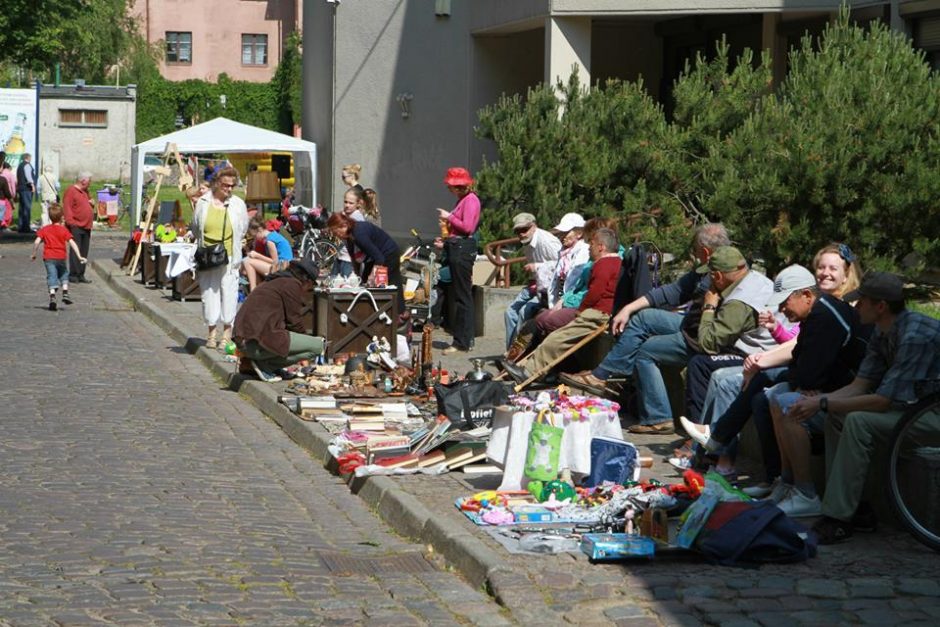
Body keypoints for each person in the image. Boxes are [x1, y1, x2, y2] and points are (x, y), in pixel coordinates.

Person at [681, 243, 866, 485]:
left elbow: (810, 368)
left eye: (784, 302)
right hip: (827, 382)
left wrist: (800, 381)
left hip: (842, 390)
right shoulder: (817, 310)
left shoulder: (827, 313)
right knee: (759, 394)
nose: (780, 309)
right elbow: (801, 353)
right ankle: (775, 480)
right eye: (820, 267)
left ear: (807, 296)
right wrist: (771, 365)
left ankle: (722, 441)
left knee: (774, 392)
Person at [779, 272, 940, 543]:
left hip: (929, 415)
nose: (856, 307)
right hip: (912, 411)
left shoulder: (915, 336)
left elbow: (882, 401)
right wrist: (821, 404)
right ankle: (858, 508)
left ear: (880, 306)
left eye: (862, 301)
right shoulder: (883, 330)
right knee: (838, 416)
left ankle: (837, 518)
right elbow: (860, 384)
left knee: (858, 421)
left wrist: (824, 401)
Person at [561, 224, 734, 433]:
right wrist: (628, 308)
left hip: (704, 336)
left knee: (645, 351)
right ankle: (605, 375)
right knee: (642, 317)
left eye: (696, 251)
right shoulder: (706, 270)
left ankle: (653, 412)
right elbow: (672, 292)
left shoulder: (722, 273)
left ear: (706, 252)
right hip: (691, 324)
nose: (694, 255)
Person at [500, 228, 622, 383]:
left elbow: (595, 292)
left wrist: (581, 311)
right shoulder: (614, 263)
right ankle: (520, 362)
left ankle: (528, 371)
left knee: (556, 338)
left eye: (591, 243)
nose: (589, 247)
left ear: (601, 247)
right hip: (597, 311)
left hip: (596, 313)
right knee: (547, 328)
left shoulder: (604, 264)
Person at [234, 259, 327, 382]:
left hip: (246, 340)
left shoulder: (276, 281)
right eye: (312, 285)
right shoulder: (292, 285)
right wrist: (307, 340)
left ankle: (261, 364)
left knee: (304, 344)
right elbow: (294, 321)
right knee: (318, 346)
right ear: (307, 280)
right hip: (255, 342)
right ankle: (265, 366)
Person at [190, 167, 250, 349]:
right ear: (216, 183)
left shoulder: (238, 204)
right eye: (225, 185)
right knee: (209, 293)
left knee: (229, 292)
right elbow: (195, 227)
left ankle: (226, 333)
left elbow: (243, 229)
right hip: (207, 254)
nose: (229, 189)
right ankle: (211, 333)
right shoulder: (203, 202)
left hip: (229, 255)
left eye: (232, 186)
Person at [435, 167, 481, 354]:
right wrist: (445, 242)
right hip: (457, 248)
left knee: (463, 297)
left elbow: (468, 228)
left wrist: (449, 217)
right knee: (461, 295)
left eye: (451, 186)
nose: (449, 189)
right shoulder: (465, 200)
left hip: (462, 250)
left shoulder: (470, 200)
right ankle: (462, 339)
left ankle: (462, 341)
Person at [503, 212, 562, 349]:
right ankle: (511, 350)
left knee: (524, 311)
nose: (521, 234)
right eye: (518, 231)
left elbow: (561, 264)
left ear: (533, 226)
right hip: (535, 283)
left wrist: (537, 267)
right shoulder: (527, 242)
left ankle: (519, 351)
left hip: (550, 287)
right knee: (510, 312)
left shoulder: (547, 241)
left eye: (524, 229)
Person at [327, 212, 403, 312]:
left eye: (336, 232)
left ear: (344, 226)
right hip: (374, 257)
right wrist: (357, 279)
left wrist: (372, 276)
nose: (336, 235)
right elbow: (354, 260)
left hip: (388, 254)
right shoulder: (349, 237)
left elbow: (379, 258)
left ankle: (396, 314)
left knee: (385, 285)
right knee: (364, 283)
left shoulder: (359, 234)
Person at [30, 203, 87, 310]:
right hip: (61, 257)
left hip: (49, 258)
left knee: (51, 276)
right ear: (61, 217)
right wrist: (79, 256)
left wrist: (34, 253)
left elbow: (37, 241)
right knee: (64, 273)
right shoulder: (64, 230)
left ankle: (52, 297)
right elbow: (72, 243)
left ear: (50, 217)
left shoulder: (45, 229)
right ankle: (65, 292)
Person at [243, 217, 294, 291]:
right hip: (284, 265)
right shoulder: (273, 235)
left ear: (259, 230)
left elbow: (274, 262)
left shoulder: (270, 241)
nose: (255, 239)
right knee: (247, 266)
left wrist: (257, 256)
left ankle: (254, 290)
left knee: (247, 261)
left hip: (282, 267)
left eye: (254, 236)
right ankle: (259, 288)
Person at [63, 172, 94, 284]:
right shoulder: (71, 191)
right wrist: (71, 223)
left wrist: (92, 204)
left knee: (84, 250)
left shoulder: (85, 191)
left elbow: (90, 202)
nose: (90, 183)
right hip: (76, 225)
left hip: (86, 225)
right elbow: (67, 207)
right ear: (83, 181)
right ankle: (73, 274)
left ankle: (81, 274)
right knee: (76, 250)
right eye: (89, 181)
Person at [331, 188, 368, 277]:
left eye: (351, 203)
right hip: (340, 256)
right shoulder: (345, 215)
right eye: (345, 202)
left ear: (358, 204)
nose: (347, 205)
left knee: (346, 286)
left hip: (349, 260)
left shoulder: (357, 217)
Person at [16, 153, 35, 233]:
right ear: (28, 158)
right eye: (30, 157)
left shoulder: (20, 165)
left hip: (20, 188)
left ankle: (21, 226)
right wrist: (32, 185)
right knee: (27, 208)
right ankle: (26, 227)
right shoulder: (27, 165)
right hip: (26, 188)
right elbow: (28, 176)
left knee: (21, 208)